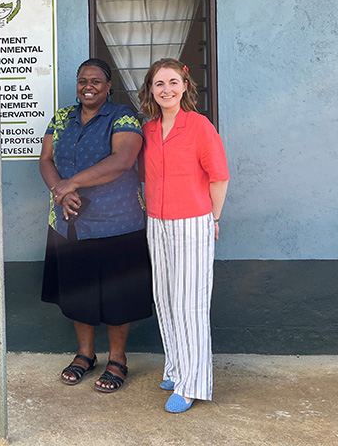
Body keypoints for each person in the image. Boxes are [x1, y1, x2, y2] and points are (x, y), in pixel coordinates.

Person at [40, 58, 153, 394]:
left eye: (96, 81)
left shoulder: (123, 117)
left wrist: (70, 183)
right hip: (70, 222)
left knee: (118, 296)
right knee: (80, 291)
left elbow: (123, 160)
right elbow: (46, 159)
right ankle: (85, 355)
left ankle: (117, 360)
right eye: (82, 80)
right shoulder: (62, 118)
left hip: (118, 223)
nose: (88, 86)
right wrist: (60, 193)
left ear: (108, 86)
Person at [138, 58, 229, 413]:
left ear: (185, 86)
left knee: (189, 304)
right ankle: (176, 369)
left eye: (173, 82)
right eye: (159, 84)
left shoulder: (199, 126)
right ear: (151, 89)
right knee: (165, 298)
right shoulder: (148, 130)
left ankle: (193, 383)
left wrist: (214, 218)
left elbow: (219, 176)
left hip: (193, 221)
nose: (167, 90)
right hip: (157, 222)